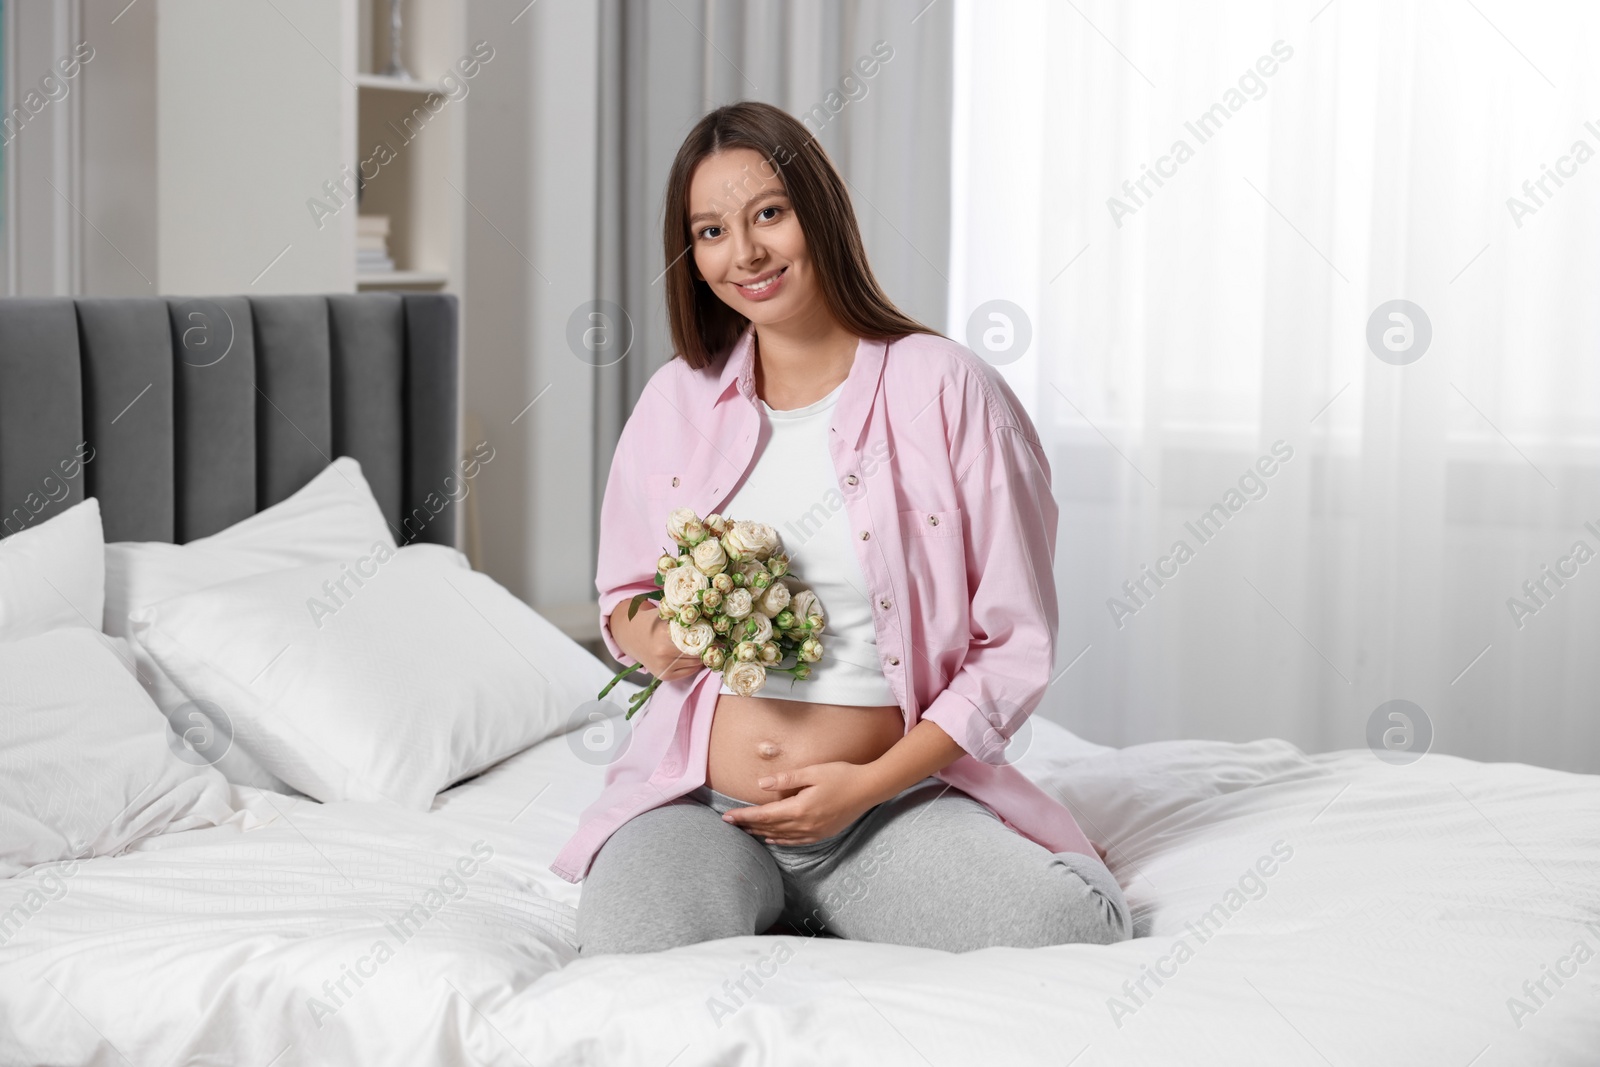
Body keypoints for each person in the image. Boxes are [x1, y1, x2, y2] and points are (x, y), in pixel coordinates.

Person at [553, 100, 1132, 955]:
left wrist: (866, 785)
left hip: (884, 808)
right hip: (704, 807)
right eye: (711, 231)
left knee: (1066, 928)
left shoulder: (946, 387)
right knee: (628, 951)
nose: (743, 252)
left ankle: (856, 894)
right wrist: (665, 634)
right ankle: (778, 905)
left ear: (818, 213)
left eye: (768, 215)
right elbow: (622, 599)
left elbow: (1011, 644)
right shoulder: (676, 399)